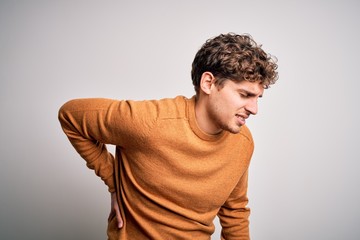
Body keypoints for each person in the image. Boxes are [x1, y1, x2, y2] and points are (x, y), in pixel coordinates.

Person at [58, 33, 278, 240]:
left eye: (258, 97)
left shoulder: (242, 142)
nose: (254, 109)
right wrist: (114, 181)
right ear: (208, 83)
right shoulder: (150, 122)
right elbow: (70, 116)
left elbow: (235, 211)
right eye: (245, 95)